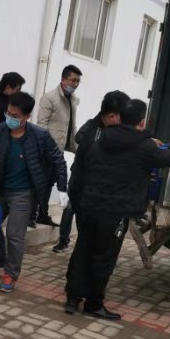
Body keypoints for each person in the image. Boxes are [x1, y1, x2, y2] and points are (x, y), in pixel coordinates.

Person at [65, 98, 170, 320]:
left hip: (90, 206)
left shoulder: (101, 139)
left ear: (120, 117)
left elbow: (87, 167)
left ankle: (72, 299)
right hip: (115, 213)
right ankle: (94, 304)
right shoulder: (144, 147)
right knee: (104, 258)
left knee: (82, 250)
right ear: (141, 122)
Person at [0, 92, 67, 293]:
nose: (10, 118)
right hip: (1, 188)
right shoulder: (0, 130)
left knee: (15, 235)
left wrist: (62, 188)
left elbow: (58, 160)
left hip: (23, 194)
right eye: (8, 113)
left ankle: (11, 273)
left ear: (27, 116)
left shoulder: (40, 136)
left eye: (15, 116)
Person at [53, 90, 130, 253]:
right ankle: (64, 240)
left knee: (88, 243)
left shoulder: (114, 131)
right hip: (83, 190)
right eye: (121, 117)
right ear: (112, 115)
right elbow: (79, 139)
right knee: (71, 212)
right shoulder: (93, 129)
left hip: (96, 199)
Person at [32, 64, 82, 227]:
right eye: (73, 80)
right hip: (47, 149)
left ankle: (42, 214)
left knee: (49, 182)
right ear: (63, 80)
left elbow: (71, 126)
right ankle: (31, 214)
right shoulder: (50, 98)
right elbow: (41, 124)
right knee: (40, 182)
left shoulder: (72, 100)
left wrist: (76, 147)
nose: (75, 84)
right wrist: (46, 147)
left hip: (59, 150)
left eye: (78, 81)